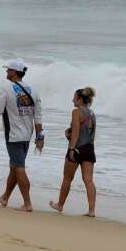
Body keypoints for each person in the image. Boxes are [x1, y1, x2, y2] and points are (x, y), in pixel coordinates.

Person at [0, 58, 44, 212]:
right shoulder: (34, 90)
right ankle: (5, 197)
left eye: (8, 70)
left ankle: (27, 204)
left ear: (13, 72)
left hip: (13, 135)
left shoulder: (6, 89)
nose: (6, 72)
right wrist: (39, 137)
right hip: (27, 135)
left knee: (19, 167)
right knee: (14, 166)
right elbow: (38, 117)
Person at [49, 87, 97, 217]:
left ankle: (60, 205)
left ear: (80, 99)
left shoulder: (76, 112)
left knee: (67, 178)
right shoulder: (92, 113)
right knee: (88, 180)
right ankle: (92, 210)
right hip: (89, 149)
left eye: (74, 98)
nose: (72, 100)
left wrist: (71, 148)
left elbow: (76, 131)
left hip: (77, 149)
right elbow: (89, 133)